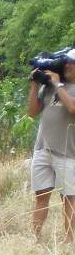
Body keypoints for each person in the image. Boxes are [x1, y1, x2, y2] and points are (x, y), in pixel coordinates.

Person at [27, 49, 75, 243]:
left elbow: (72, 107)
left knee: (69, 199)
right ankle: (35, 238)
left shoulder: (62, 86)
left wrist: (57, 84)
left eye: (72, 64)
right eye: (67, 64)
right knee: (41, 195)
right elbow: (32, 112)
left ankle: (69, 241)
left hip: (67, 152)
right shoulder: (48, 87)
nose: (68, 67)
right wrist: (34, 84)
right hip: (43, 149)